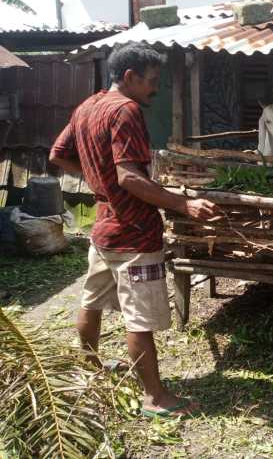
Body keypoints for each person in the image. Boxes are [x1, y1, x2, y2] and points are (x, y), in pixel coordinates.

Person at [49, 42, 222, 418]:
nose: (154, 90)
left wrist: (98, 180)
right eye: (151, 82)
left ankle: (90, 369)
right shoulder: (125, 111)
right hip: (133, 234)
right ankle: (155, 398)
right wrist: (183, 204)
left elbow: (58, 154)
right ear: (129, 77)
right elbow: (129, 177)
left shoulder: (88, 106)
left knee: (91, 302)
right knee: (139, 318)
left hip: (103, 230)